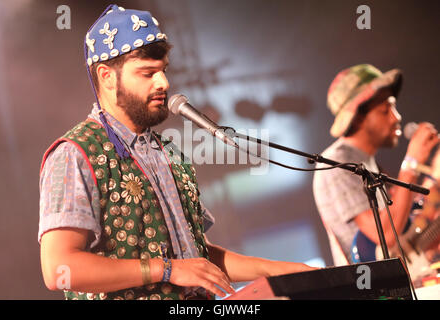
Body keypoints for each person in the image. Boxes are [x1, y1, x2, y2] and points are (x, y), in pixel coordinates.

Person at [38, 4, 314, 300]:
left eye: (163, 71)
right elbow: (58, 268)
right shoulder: (75, 154)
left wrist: (280, 270)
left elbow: (195, 257)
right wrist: (166, 269)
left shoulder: (168, 151)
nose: (164, 83)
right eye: (147, 73)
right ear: (107, 76)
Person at [312, 64, 439, 266]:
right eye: (385, 109)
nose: (396, 118)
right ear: (358, 118)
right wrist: (412, 162)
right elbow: (386, 235)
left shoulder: (370, 165)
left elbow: (402, 239)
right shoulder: (336, 165)